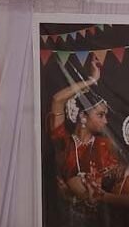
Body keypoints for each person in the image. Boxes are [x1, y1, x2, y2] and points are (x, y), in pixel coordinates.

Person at [47, 60, 118, 206]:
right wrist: (91, 81)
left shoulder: (104, 144)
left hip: (102, 213)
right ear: (83, 116)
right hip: (64, 214)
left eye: (105, 115)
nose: (106, 121)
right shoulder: (64, 141)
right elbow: (57, 100)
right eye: (100, 115)